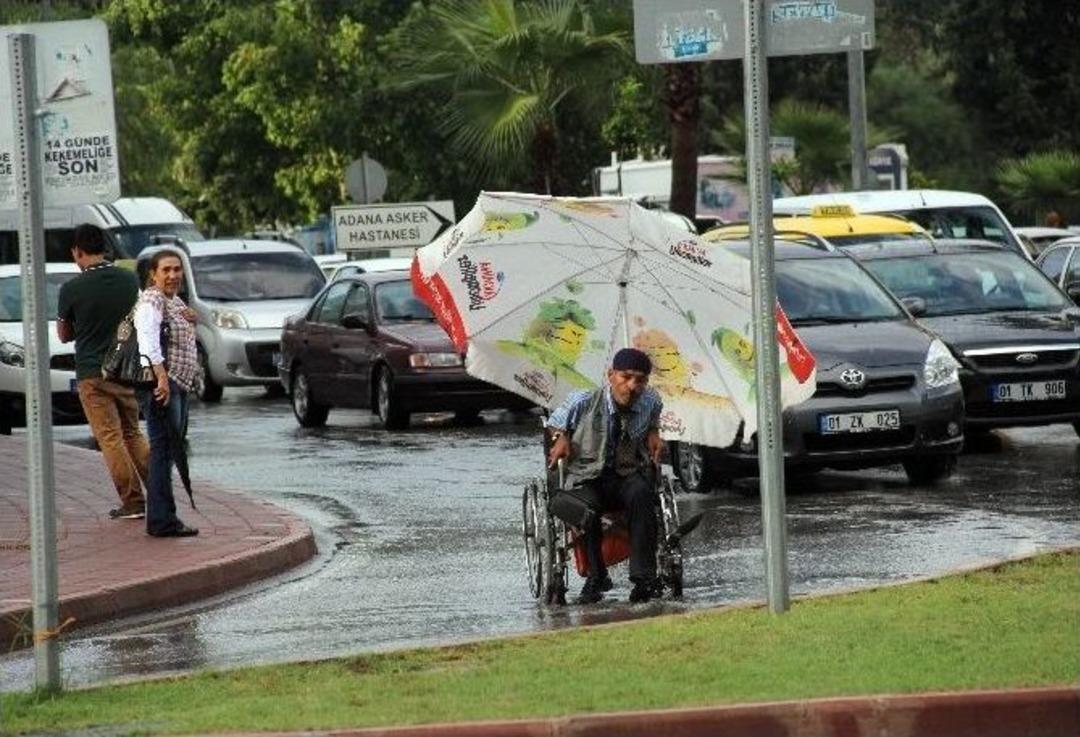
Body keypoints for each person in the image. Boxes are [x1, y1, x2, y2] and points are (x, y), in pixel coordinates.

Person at [546, 347, 664, 604]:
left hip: (625, 473)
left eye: (640, 380)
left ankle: (644, 578)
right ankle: (597, 576)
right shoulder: (584, 400)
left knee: (643, 493)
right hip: (587, 475)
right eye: (626, 377)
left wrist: (654, 431)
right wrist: (561, 436)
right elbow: (554, 422)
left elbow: (653, 419)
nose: (632, 386)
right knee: (587, 509)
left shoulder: (650, 402)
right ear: (611, 375)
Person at [57, 224, 150, 519]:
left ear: (78, 251)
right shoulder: (128, 279)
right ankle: (160, 492)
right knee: (133, 432)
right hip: (125, 368)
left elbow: (63, 334)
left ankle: (133, 502)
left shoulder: (71, 288)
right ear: (105, 248)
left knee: (110, 437)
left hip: (92, 373)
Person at [134, 249, 200, 537]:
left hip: (178, 384)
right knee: (163, 451)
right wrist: (160, 377)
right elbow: (148, 341)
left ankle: (164, 517)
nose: (173, 275)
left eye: (177, 270)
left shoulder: (173, 301)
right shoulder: (151, 299)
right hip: (163, 384)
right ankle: (162, 520)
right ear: (153, 273)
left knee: (169, 451)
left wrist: (190, 318)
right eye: (166, 270)